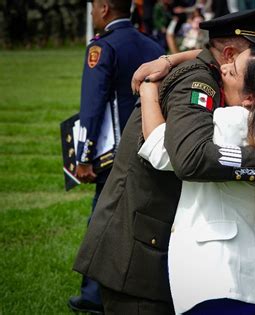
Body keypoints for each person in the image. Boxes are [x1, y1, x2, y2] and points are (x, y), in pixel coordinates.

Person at [73, 3, 255, 314]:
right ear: (229, 56)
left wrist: (171, 57)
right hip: (139, 254)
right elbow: (184, 156)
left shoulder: (219, 73)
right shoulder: (197, 82)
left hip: (157, 242)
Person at [138, 44, 255, 314]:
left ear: (250, 98)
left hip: (219, 276)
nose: (222, 68)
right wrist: (174, 58)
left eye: (232, 72)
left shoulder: (229, 122)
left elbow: (162, 152)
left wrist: (148, 89)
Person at [68, 0, 165, 313]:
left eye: (94, 7)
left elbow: (92, 107)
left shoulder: (102, 48)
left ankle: (94, 294)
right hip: (151, 143)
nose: (93, 13)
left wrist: (83, 157)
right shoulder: (154, 45)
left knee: (104, 218)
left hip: (114, 155)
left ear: (105, 9)